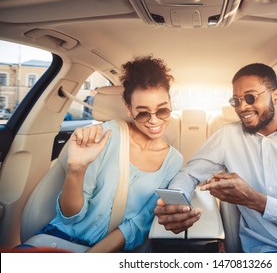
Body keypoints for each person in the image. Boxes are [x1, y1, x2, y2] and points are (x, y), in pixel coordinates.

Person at [154, 63, 277, 253]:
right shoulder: (227, 137)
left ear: (275, 96)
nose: (242, 107)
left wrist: (256, 201)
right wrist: (177, 204)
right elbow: (189, 174)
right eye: (236, 101)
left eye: (250, 97)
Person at [33, 56, 183, 252]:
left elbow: (140, 222)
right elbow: (70, 216)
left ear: (170, 104)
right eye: (143, 112)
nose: (154, 121)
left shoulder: (174, 160)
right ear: (129, 109)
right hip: (59, 240)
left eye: (162, 110)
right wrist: (75, 170)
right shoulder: (104, 135)